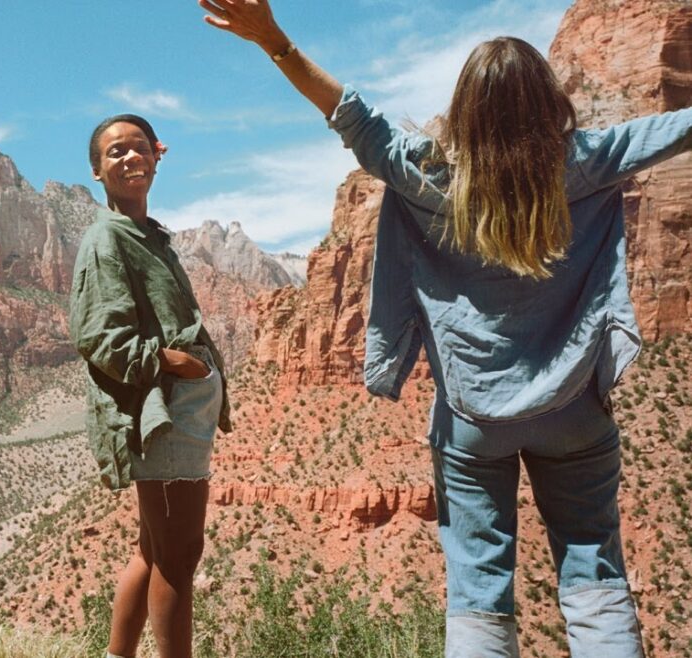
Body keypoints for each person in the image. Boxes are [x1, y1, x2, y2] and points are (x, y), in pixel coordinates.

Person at [202, 1, 692, 656]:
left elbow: (350, 114)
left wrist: (276, 41)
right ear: (547, 101)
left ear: (464, 109)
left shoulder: (428, 172)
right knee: (594, 575)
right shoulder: (587, 160)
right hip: (574, 413)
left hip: (471, 423)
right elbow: (680, 129)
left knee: (478, 590)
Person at [70, 113, 232, 658]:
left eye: (139, 147)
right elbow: (100, 338)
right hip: (159, 416)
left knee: (153, 549)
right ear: (97, 170)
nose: (129, 158)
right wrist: (179, 363)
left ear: (158, 154)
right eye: (115, 152)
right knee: (178, 555)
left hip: (181, 411)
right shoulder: (105, 238)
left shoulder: (147, 234)